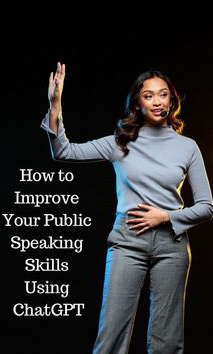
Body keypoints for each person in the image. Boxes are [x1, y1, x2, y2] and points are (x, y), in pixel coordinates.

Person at [40, 62, 213, 354]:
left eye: (163, 95)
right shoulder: (119, 143)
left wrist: (167, 216)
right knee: (110, 341)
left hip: (172, 244)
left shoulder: (188, 147)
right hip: (127, 241)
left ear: (172, 100)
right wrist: (55, 104)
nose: (158, 102)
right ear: (137, 102)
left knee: (167, 343)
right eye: (149, 96)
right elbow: (63, 151)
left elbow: (207, 206)